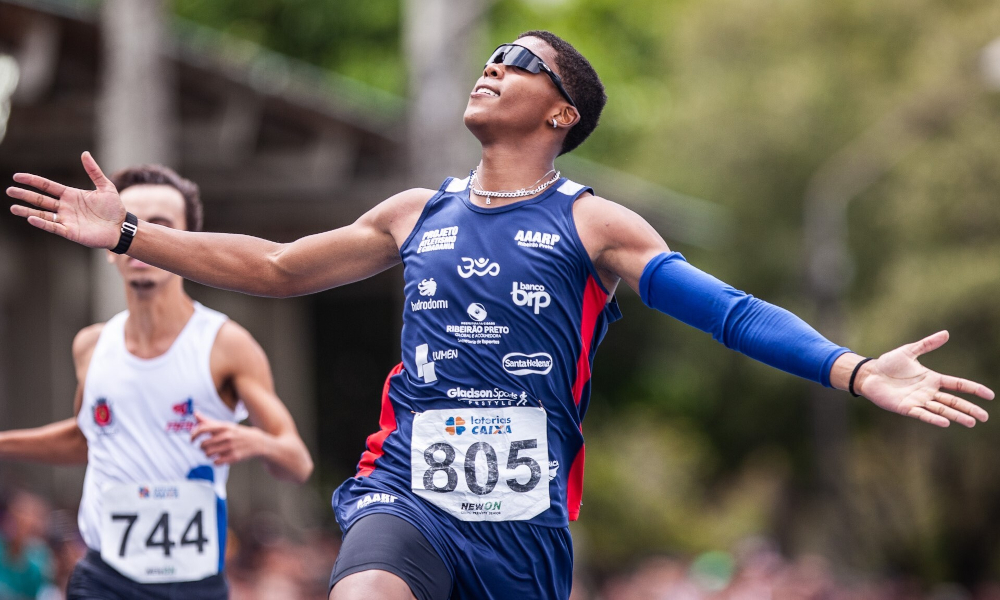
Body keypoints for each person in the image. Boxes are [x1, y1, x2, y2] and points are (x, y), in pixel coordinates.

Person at [6, 30, 994, 600]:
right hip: (407, 493)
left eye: (519, 60)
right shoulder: (413, 212)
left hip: (523, 529)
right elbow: (271, 265)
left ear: (561, 113)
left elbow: (726, 312)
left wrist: (857, 370)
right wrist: (132, 234)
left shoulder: (594, 223)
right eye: (489, 54)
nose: (493, 65)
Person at [2, 164, 314, 599]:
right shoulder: (91, 345)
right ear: (108, 247)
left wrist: (257, 443)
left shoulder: (225, 344)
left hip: (193, 581)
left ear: (186, 246)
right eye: (124, 222)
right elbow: (87, 439)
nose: (136, 236)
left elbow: (297, 461)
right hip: (103, 576)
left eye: (158, 227)